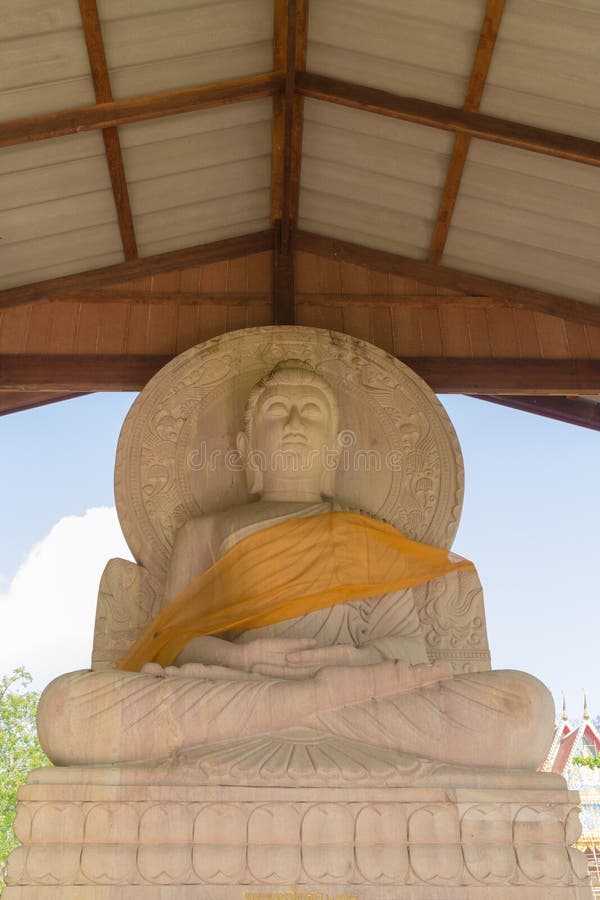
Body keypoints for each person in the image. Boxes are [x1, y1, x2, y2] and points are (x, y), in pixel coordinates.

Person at [37, 362, 554, 770]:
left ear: (335, 447)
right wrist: (242, 658)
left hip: (347, 695)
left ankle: (305, 702)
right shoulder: (205, 531)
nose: (293, 424)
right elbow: (175, 642)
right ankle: (310, 703)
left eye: (310, 413)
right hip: (242, 691)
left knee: (523, 708)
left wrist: (344, 663)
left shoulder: (366, 535)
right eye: (278, 410)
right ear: (246, 446)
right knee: (66, 709)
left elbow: (409, 650)